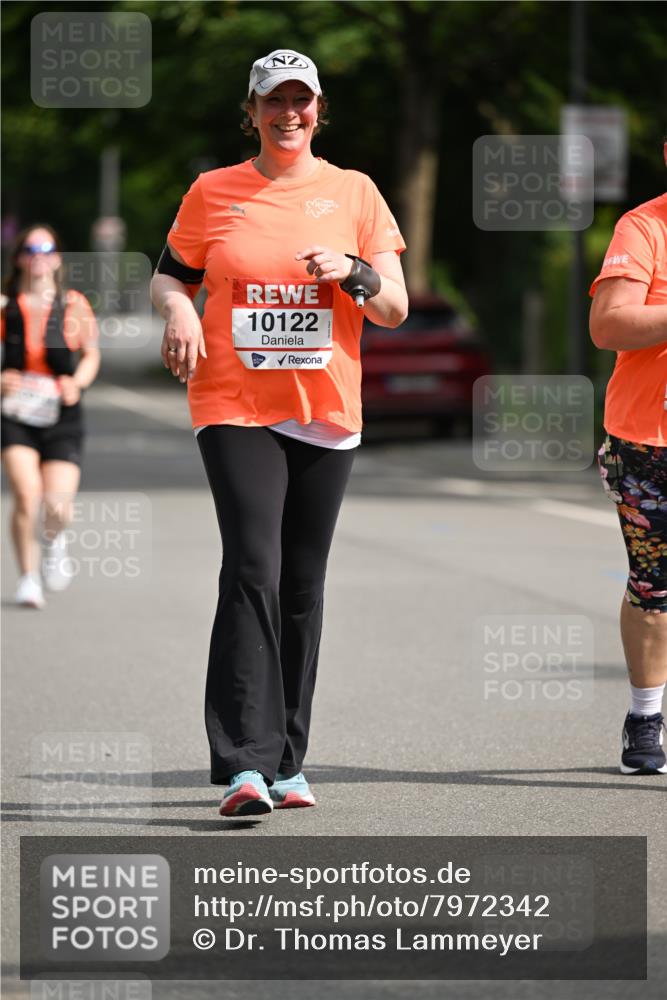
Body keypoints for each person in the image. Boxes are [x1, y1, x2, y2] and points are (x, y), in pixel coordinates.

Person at [150, 49, 408, 816]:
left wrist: (352, 271)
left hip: (325, 407)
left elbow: (391, 304)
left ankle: (289, 761)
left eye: (301, 100)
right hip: (233, 402)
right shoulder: (213, 190)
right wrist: (176, 309)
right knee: (251, 567)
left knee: (301, 586)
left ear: (318, 110)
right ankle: (242, 765)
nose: (287, 112)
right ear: (252, 110)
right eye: (273, 100)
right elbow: (172, 272)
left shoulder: (354, 192)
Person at [589, 140, 667, 775]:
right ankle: (646, 716)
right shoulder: (644, 226)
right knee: (655, 586)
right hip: (650, 441)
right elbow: (609, 324)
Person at [1, 225, 101, 608]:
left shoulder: (73, 304)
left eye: (46, 248)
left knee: (57, 506)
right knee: (27, 496)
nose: (38, 255)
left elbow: (91, 355)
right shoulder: (5, 305)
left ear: (58, 257)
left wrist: (78, 381)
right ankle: (28, 578)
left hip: (62, 413)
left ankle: (55, 540)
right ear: (19, 258)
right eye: (30, 248)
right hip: (15, 414)